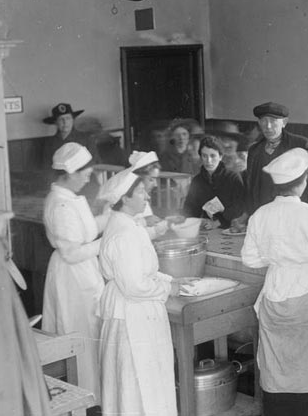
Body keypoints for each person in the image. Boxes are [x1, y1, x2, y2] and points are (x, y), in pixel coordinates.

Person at [241, 148, 308, 416]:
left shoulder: (260, 214)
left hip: (274, 289)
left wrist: (275, 258)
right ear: (302, 182)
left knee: (277, 361)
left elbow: (249, 259)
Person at [98, 168, 186, 416]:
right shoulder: (124, 234)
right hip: (133, 316)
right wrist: (168, 288)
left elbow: (141, 271)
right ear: (124, 199)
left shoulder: (128, 225)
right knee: (138, 383)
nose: (147, 196)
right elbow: (135, 285)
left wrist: (171, 279)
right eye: (140, 192)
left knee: (143, 382)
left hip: (135, 311)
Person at [41, 142, 109, 402]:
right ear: (70, 172)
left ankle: (95, 394)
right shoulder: (60, 205)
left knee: (91, 332)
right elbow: (71, 252)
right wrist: (109, 240)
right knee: (80, 333)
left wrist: (113, 217)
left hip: (84, 274)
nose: (87, 179)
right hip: (71, 279)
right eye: (85, 174)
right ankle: (85, 397)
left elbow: (88, 229)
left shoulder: (70, 199)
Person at [243, 102, 308, 215]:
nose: (268, 126)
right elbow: (250, 187)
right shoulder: (254, 150)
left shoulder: (300, 144)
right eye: (264, 121)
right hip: (262, 213)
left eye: (273, 121)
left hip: (292, 213)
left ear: (284, 122)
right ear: (259, 123)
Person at [182, 136, 245, 229]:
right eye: (204, 156)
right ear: (200, 157)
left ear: (220, 156)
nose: (208, 161)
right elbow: (190, 209)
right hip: (206, 230)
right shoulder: (197, 180)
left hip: (230, 230)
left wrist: (219, 219)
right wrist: (198, 221)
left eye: (213, 156)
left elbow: (240, 210)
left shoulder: (233, 178)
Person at [129, 150, 169, 239]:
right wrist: (144, 222)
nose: (156, 184)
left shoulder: (143, 198)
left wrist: (167, 223)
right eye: (151, 179)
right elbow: (125, 234)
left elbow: (149, 233)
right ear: (138, 178)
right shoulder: (122, 199)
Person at [41, 103, 90, 170]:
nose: (65, 122)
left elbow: (92, 163)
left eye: (68, 118)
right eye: (61, 119)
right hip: (58, 179)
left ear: (73, 120)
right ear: (56, 122)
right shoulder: (49, 143)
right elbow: (46, 167)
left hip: (81, 177)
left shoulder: (86, 138)